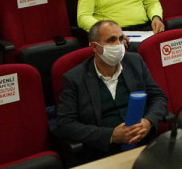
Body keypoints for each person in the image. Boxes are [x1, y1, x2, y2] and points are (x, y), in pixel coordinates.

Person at [56, 19, 168, 162]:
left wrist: (148, 122)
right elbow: (66, 124)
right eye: (111, 40)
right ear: (94, 47)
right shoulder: (74, 79)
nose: (118, 45)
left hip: (144, 144)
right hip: (102, 153)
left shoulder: (135, 61)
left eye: (121, 39)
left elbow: (158, 97)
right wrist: (111, 135)